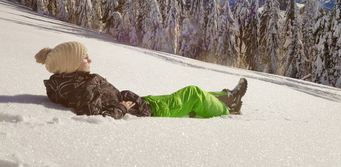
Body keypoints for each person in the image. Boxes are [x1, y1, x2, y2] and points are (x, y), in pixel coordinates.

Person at [35, 41, 248, 119]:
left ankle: (228, 97)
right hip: (145, 111)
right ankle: (228, 109)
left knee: (188, 96)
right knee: (192, 93)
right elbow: (92, 113)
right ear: (70, 64)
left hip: (140, 102)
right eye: (84, 56)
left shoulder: (71, 83)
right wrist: (121, 107)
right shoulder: (81, 87)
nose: (89, 58)